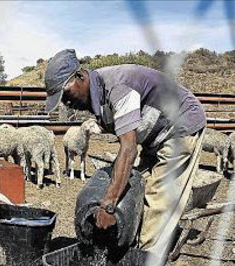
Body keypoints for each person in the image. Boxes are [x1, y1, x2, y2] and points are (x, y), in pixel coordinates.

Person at [45, 49, 206, 254]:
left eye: (66, 94)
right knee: (138, 185)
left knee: (159, 196)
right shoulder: (99, 91)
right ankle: (130, 240)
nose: (67, 103)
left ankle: (144, 260)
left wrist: (108, 206)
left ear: (79, 76)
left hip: (181, 124)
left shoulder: (117, 87)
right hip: (154, 134)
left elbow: (129, 149)